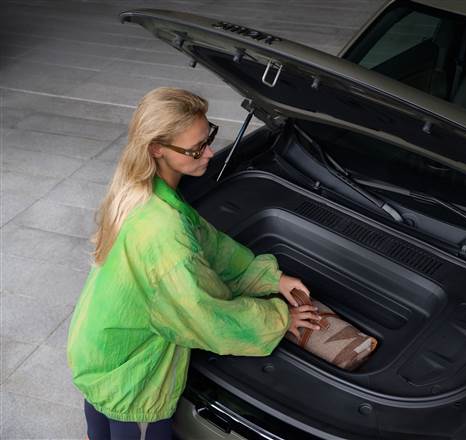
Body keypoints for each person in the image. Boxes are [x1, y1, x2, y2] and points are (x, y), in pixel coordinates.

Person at [67, 87, 322, 440]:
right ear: (157, 148)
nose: (210, 153)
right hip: (131, 379)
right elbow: (206, 316)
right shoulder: (164, 232)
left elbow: (208, 244)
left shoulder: (138, 189)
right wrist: (281, 319)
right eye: (197, 148)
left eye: (209, 137)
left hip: (98, 349)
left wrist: (270, 278)